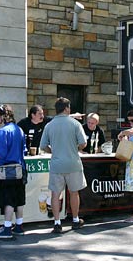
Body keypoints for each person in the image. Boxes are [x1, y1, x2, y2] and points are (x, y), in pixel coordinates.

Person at [39, 97, 87, 233]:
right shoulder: (75, 124)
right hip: (73, 163)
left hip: (57, 164)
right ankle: (76, 220)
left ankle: (57, 222)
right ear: (66, 108)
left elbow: (43, 146)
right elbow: (83, 143)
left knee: (55, 194)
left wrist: (53, 150)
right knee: (74, 192)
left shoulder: (49, 125)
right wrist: (74, 148)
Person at [0, 104, 27, 239]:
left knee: (8, 199)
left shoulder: (3, 131)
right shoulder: (20, 130)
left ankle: (6, 229)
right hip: (20, 168)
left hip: (7, 170)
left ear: (4, 116)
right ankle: (19, 226)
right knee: (19, 198)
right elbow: (24, 150)